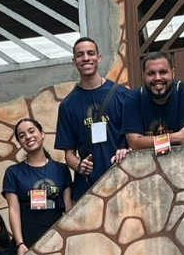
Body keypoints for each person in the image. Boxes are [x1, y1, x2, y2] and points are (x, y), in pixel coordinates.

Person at [55, 36, 130, 200]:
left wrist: (127, 151)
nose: (86, 58)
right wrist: (80, 166)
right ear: (74, 61)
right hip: (89, 188)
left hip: (123, 179)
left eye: (90, 53)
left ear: (99, 57)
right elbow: (69, 154)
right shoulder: (68, 105)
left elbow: (135, 138)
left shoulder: (122, 95)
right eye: (80, 55)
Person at [3, 117, 73, 255]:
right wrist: (20, 243)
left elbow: (68, 207)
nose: (28, 137)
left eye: (31, 131)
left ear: (42, 134)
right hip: (28, 241)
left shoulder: (61, 169)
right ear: (20, 143)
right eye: (22, 136)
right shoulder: (13, 172)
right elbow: (14, 210)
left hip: (56, 240)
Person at [122, 51, 184, 151]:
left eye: (163, 72)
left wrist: (146, 142)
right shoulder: (133, 98)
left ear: (173, 73)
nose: (157, 78)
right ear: (143, 76)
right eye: (151, 73)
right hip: (149, 165)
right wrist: (176, 137)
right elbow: (135, 144)